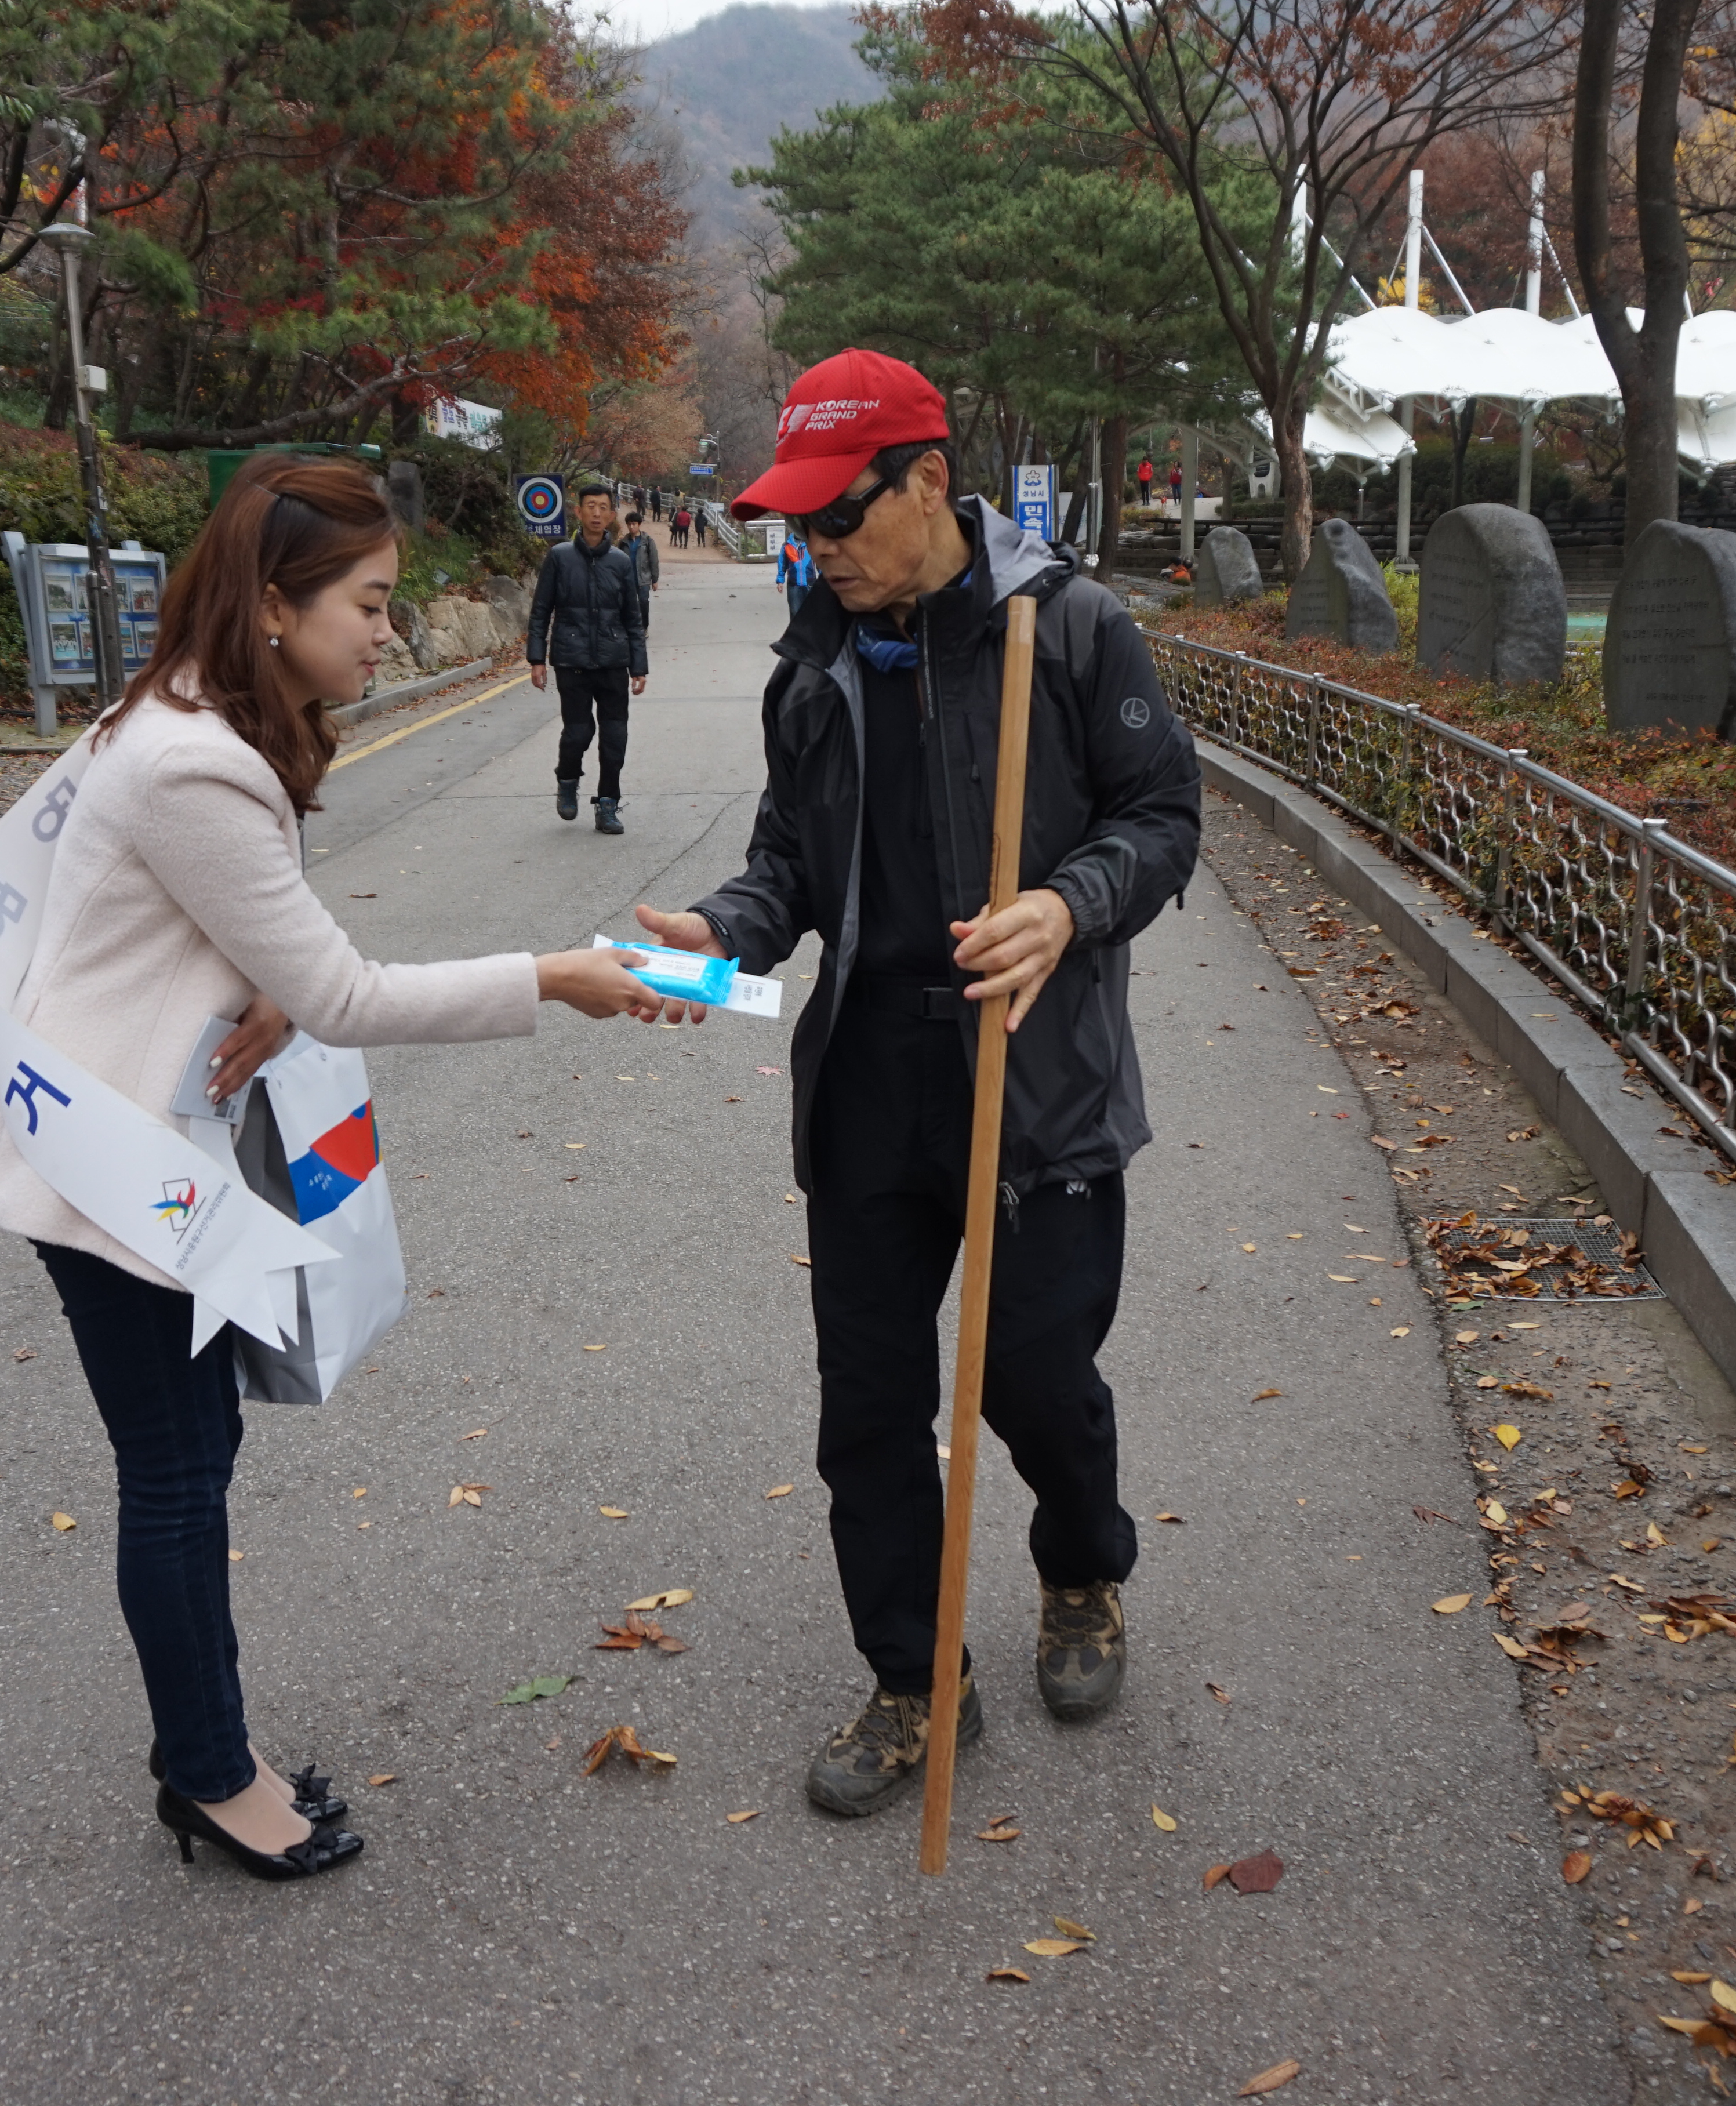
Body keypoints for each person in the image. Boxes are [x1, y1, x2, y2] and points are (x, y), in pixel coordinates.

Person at [0, 454, 659, 1883]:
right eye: (371, 603)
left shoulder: (183, 715)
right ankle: (210, 1774)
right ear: (274, 605)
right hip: (113, 1170)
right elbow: (346, 991)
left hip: (129, 1141)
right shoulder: (196, 760)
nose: (388, 632)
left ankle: (209, 1745)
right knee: (175, 1476)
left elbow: (211, 931)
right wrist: (555, 975)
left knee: (192, 1457)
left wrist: (256, 980)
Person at [626, 347, 1201, 1817]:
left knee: (1033, 1377)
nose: (815, 547)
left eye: (840, 515)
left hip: (1034, 1071)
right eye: (798, 524)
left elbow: (1162, 815)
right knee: (870, 1403)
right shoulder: (813, 662)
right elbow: (786, 864)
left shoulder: (1069, 630)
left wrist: (1067, 903)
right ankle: (914, 1676)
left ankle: (1081, 1566)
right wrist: (725, 933)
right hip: (871, 1076)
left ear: (929, 481)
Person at [527, 480, 650, 836]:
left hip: (613, 662)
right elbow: (541, 610)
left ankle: (608, 804)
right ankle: (567, 779)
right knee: (578, 733)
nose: (597, 513)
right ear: (578, 512)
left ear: (612, 515)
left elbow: (633, 619)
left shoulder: (621, 562)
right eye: (590, 507)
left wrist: (638, 666)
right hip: (572, 661)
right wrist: (537, 658)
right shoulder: (560, 557)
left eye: (603, 507)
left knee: (615, 737)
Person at [622, 508, 663, 596]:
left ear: (639, 524)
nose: (631, 527)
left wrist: (655, 580)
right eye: (629, 524)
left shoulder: (648, 541)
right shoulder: (623, 543)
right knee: (630, 603)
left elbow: (654, 560)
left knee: (644, 601)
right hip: (628, 580)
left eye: (634, 524)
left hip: (644, 580)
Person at [776, 528, 818, 614]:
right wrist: (780, 581)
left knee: (812, 613)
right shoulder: (787, 546)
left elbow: (821, 563)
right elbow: (782, 564)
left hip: (810, 583)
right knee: (795, 613)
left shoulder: (812, 544)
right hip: (794, 585)